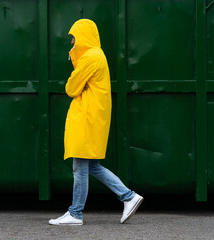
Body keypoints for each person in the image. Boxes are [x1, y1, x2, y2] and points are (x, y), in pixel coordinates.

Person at [49, 19, 143, 226]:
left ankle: (75, 213)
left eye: (74, 38)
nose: (72, 44)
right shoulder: (96, 55)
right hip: (91, 117)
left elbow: (71, 88)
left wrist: (77, 81)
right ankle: (128, 196)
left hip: (86, 118)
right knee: (91, 165)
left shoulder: (90, 57)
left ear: (83, 37)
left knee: (79, 167)